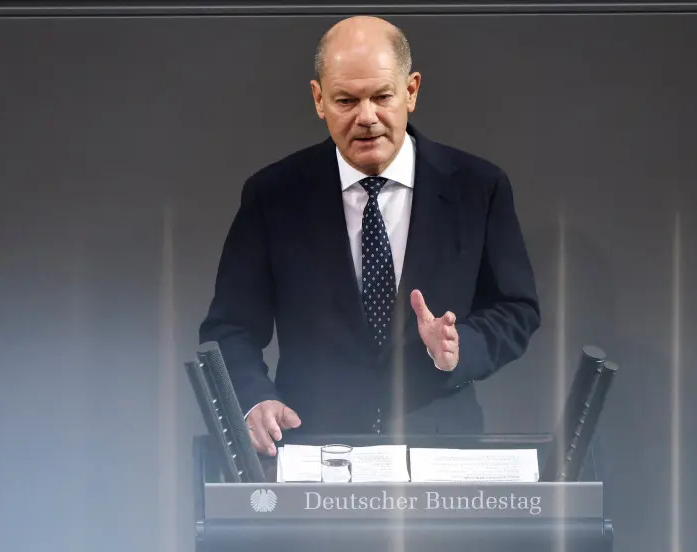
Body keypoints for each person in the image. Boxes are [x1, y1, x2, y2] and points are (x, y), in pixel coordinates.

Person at [199, 15, 540, 456]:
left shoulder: (478, 187)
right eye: (346, 100)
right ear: (319, 99)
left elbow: (517, 309)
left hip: (439, 454)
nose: (367, 118)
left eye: (382, 96)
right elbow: (229, 327)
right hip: (312, 450)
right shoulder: (273, 195)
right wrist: (254, 398)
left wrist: (458, 350)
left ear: (411, 91)